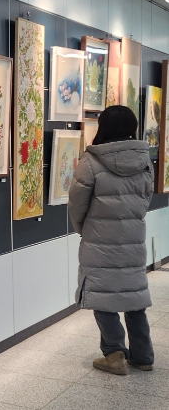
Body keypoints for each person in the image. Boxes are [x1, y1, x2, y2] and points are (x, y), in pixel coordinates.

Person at [68, 105, 154, 376]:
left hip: (99, 240)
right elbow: (145, 199)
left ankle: (114, 354)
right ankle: (143, 356)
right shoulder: (144, 160)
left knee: (103, 296)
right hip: (133, 239)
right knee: (133, 296)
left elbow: (77, 204)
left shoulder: (91, 161)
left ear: (103, 126)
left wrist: (84, 229)